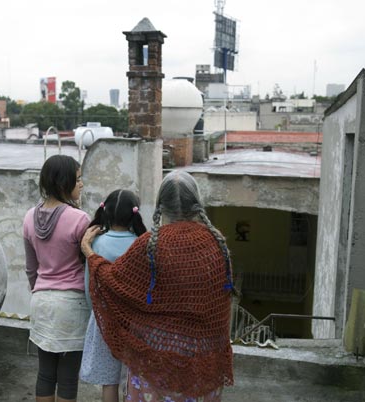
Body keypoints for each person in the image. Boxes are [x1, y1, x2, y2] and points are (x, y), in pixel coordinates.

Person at [81, 170, 235, 401]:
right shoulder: (217, 244)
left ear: (160, 205)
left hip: (155, 357)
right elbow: (224, 305)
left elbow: (113, 283)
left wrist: (89, 253)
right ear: (197, 203)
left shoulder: (149, 245)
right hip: (203, 356)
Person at [23, 154, 90, 402]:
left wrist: (40, 289)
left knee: (45, 374)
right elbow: (90, 264)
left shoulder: (29, 217)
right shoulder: (80, 219)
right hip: (72, 306)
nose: (82, 184)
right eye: (78, 179)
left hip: (40, 302)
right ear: (64, 183)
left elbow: (31, 268)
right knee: (68, 378)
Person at [79, 189, 147, 402]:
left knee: (109, 381)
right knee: (133, 378)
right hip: (135, 323)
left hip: (104, 321)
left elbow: (90, 288)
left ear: (105, 212)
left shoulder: (96, 244)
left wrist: (96, 313)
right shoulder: (141, 244)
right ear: (135, 214)